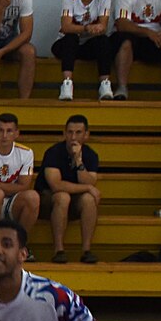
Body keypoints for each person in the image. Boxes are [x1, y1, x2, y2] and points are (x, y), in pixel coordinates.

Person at [39, 113, 102, 264]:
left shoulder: (91, 155)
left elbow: (90, 180)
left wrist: (78, 161)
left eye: (78, 132)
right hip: (47, 199)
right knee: (63, 196)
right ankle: (59, 251)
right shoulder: (53, 152)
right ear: (64, 133)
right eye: (70, 132)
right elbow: (56, 185)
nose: (73, 137)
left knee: (89, 199)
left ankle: (86, 251)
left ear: (86, 135)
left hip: (73, 201)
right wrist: (87, 187)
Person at [54, 0, 117, 102]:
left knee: (104, 41)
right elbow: (66, 27)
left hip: (89, 45)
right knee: (71, 38)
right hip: (66, 46)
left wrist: (97, 28)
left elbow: (103, 26)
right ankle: (67, 84)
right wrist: (87, 28)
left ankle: (105, 84)